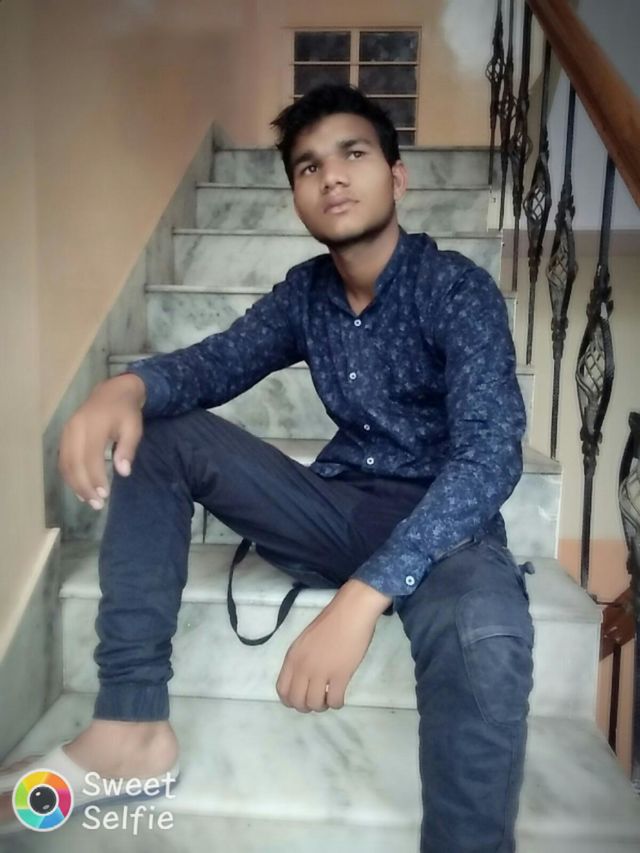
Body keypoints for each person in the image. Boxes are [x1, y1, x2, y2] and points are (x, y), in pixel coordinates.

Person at [0, 84, 534, 850]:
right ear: (296, 194)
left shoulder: (456, 289)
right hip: (338, 510)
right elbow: (216, 362)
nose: (332, 176)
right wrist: (128, 387)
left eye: (353, 154)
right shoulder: (306, 295)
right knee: (160, 431)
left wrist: (364, 594)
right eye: (309, 166)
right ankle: (129, 729)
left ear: (397, 175)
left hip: (448, 532)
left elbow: (489, 455)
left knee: (487, 628)